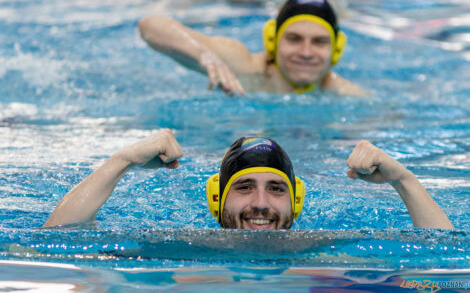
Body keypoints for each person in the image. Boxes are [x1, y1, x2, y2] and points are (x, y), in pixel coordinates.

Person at [43, 129, 454, 230]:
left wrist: (406, 181)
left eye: (275, 189)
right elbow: (56, 237)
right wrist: (121, 160)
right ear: (216, 199)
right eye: (244, 187)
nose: (260, 204)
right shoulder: (186, 247)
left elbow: (451, 268)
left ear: (296, 200)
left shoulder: (324, 250)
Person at [138, 0, 368, 96]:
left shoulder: (346, 95)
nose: (306, 52)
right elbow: (151, 26)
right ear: (272, 40)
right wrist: (203, 54)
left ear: (336, 49)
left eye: (319, 42)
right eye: (294, 38)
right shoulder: (242, 66)